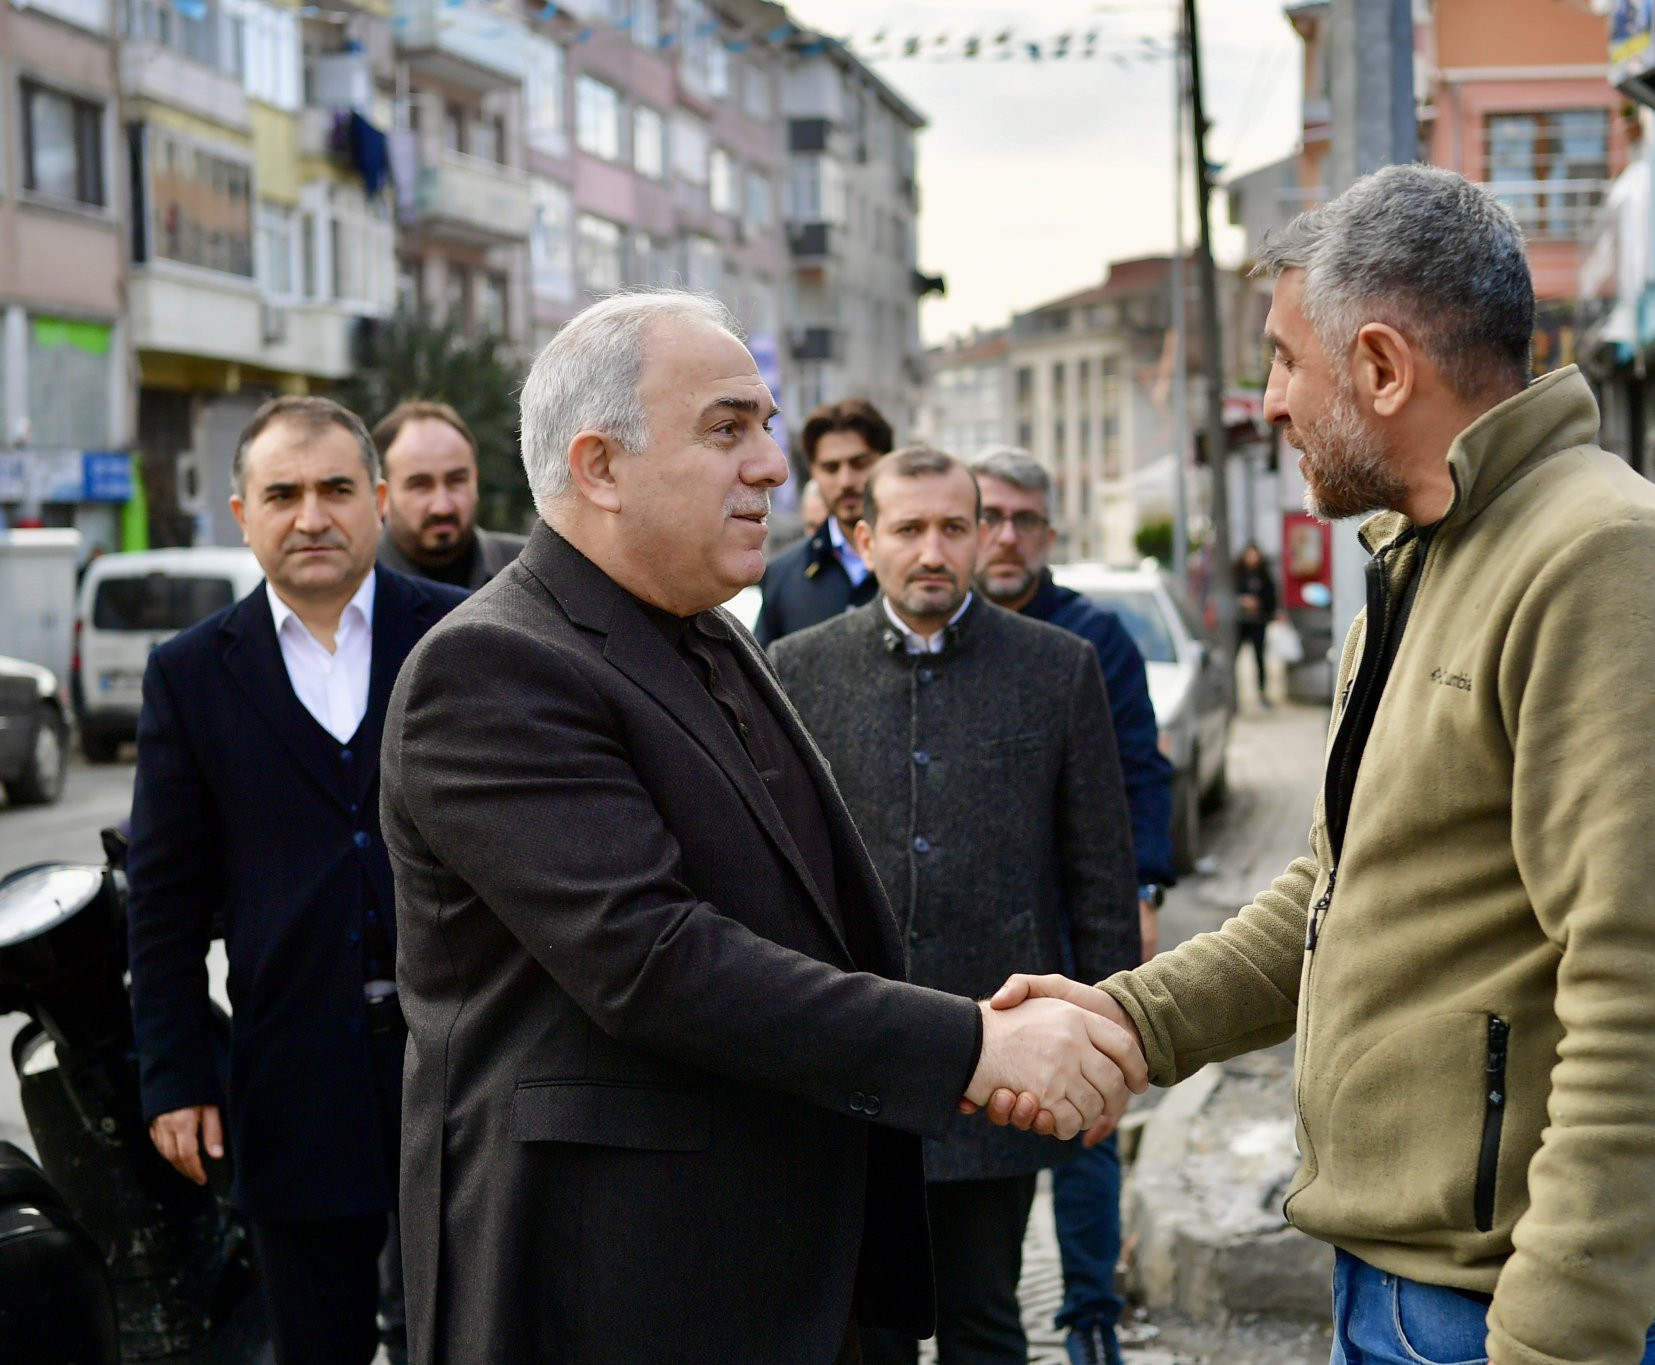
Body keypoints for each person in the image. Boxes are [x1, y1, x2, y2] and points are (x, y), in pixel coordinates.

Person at [983, 165, 1655, 1365]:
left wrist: (1554, 1335)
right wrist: (1130, 1021)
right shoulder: (1427, 554)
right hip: (1405, 1285)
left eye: (1283, 360)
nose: (1269, 402)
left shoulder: (1605, 564)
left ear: (1383, 368)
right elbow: (1339, 887)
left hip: (1517, 1310)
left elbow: (1652, 996)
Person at [378, 291, 1146, 1365]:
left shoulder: (707, 633)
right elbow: (654, 959)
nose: (774, 467)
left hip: (768, 1267)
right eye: (727, 428)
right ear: (599, 467)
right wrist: (972, 1045)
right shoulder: (493, 666)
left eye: (766, 427)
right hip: (612, 1291)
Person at [770, 447, 1138, 1365]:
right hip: (857, 1060)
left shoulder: (1059, 667)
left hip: (1004, 1064)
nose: (932, 551)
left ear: (980, 536)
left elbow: (1099, 872)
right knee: (872, 1327)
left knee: (984, 1316)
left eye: (953, 527)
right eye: (909, 529)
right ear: (864, 540)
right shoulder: (797, 669)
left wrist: (1111, 1050)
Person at [126, 396, 468, 1365]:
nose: (311, 516)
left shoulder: (459, 636)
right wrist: (175, 1076)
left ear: (378, 502)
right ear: (244, 514)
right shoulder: (190, 674)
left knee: (468, 1334)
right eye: (282, 494)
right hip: (290, 1083)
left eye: (335, 489)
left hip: (458, 1071)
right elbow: (163, 900)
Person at [971, 447, 1173, 1363]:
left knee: (1088, 1120)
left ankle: (1090, 1314)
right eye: (990, 516)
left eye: (1025, 520)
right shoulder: (950, 635)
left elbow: (1142, 774)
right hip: (985, 927)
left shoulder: (1095, 637)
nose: (1006, 536)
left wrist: (1142, 891)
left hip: (1077, 917)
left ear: (1051, 533)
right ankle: (983, 1308)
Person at [752, 397, 892, 645]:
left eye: (859, 464)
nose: (845, 481)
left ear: (887, 462)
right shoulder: (782, 576)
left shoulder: (923, 563)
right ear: (814, 472)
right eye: (831, 467)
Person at [372, 400, 526, 589]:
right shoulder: (356, 586)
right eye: (420, 486)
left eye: (456, 481)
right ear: (382, 497)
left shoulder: (533, 569)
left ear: (475, 481)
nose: (442, 507)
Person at [1232, 544, 1279, 706]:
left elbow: (1271, 598)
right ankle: (1233, 695)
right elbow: (1230, 594)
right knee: (1234, 658)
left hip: (1258, 622)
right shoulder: (1237, 574)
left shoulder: (1264, 576)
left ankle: (1262, 693)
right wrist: (1242, 601)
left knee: (1259, 659)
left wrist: (1261, 605)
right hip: (1240, 623)